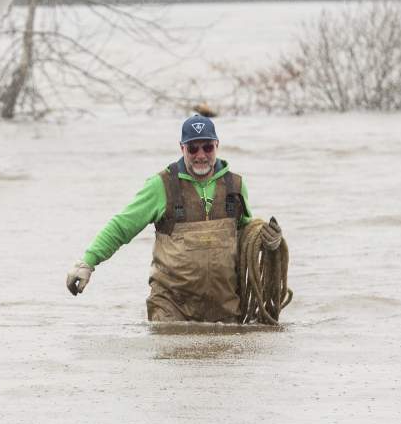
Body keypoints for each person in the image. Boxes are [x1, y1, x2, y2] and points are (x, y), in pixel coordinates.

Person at [64, 114, 282, 322]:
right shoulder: (162, 185)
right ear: (182, 148)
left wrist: (267, 241)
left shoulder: (235, 185)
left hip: (224, 308)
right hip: (171, 307)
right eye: (192, 148)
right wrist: (88, 263)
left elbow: (245, 234)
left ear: (217, 145)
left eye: (207, 147)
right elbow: (122, 227)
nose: (200, 155)